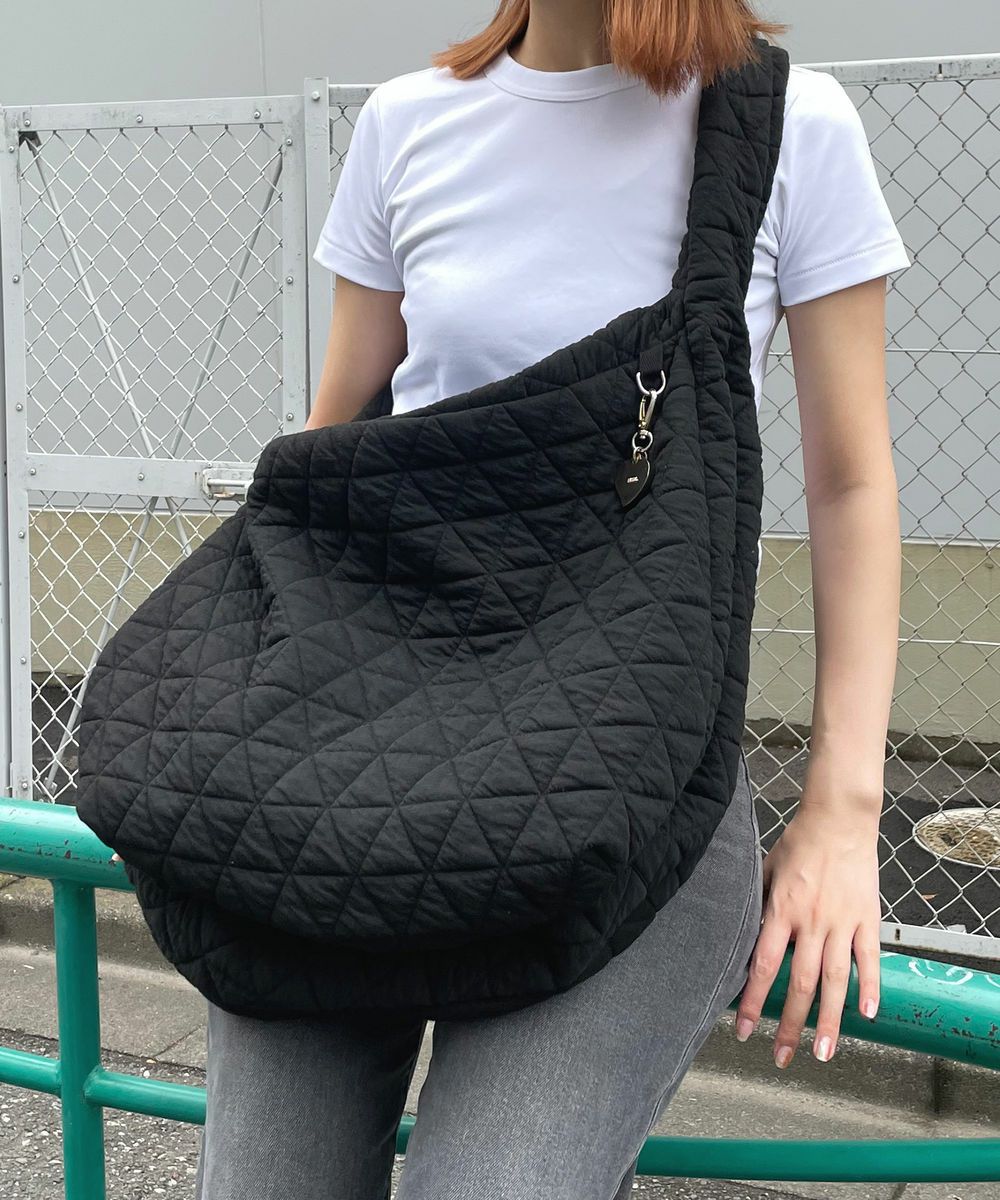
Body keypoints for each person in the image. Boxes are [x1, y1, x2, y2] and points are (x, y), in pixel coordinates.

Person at [195, 2, 909, 1196]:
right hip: (360, 766)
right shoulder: (407, 124)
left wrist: (841, 812)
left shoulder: (784, 123)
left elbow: (852, 484)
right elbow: (329, 459)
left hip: (633, 798)